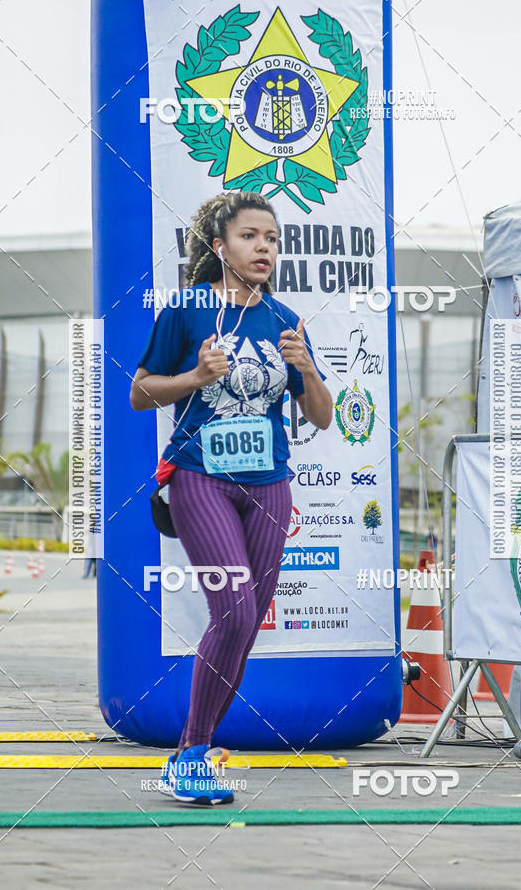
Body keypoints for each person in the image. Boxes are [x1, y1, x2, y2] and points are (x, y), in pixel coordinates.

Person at [130, 191, 332, 805]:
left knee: (243, 628)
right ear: (220, 247)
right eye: (249, 236)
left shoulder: (285, 319)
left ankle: (194, 751)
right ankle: (191, 753)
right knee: (236, 613)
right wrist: (196, 377)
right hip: (201, 477)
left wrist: (307, 369)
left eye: (271, 238)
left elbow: (321, 417)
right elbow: (140, 392)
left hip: (269, 483)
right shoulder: (187, 310)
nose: (263, 247)